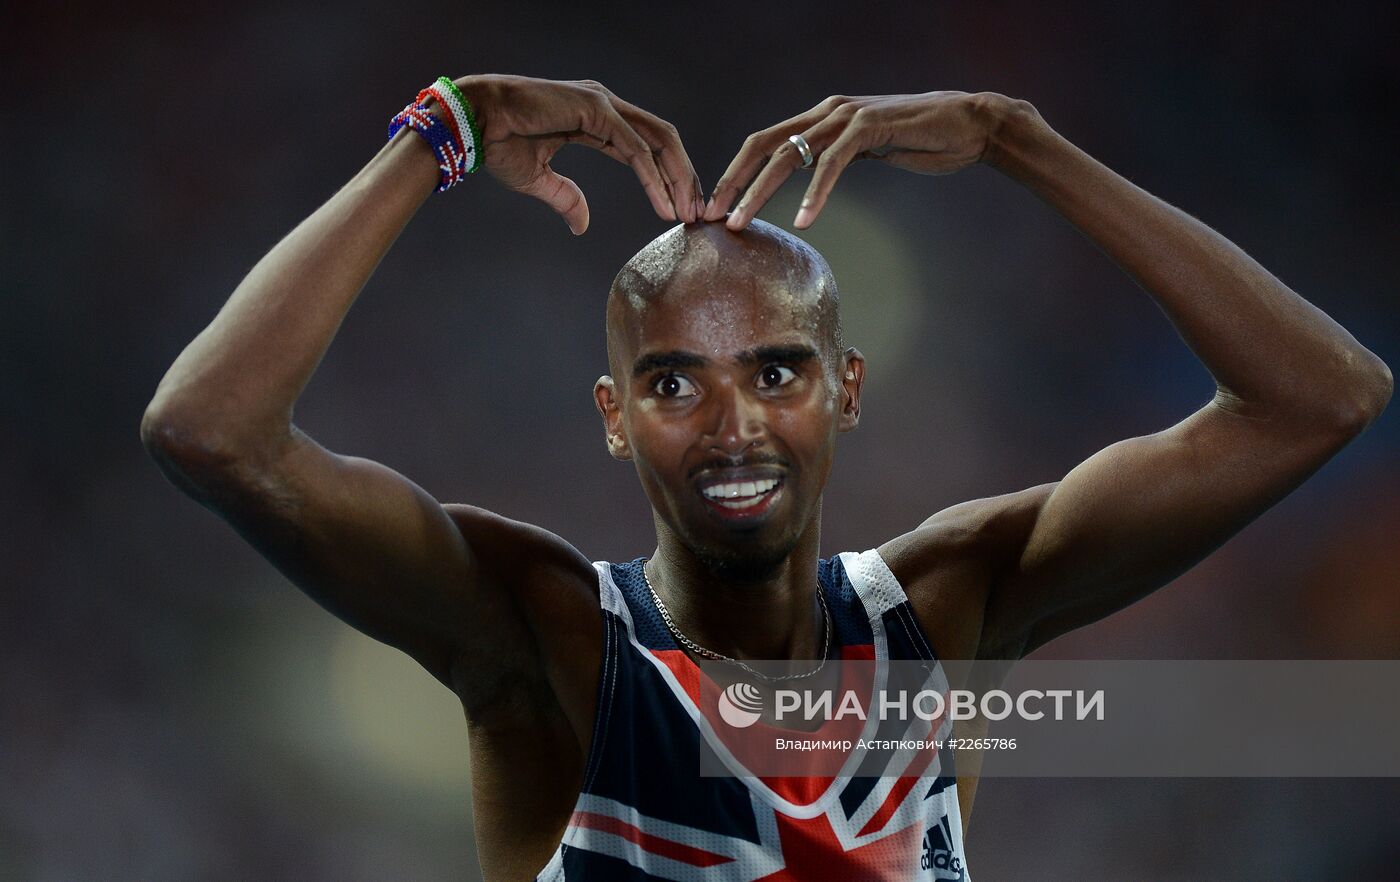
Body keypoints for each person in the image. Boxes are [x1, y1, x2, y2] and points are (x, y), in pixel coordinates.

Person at [141, 73, 1391, 881]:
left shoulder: (948, 611)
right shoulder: (546, 641)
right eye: (675, 383)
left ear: (846, 388)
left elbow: (1321, 397)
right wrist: (445, 131)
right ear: (614, 418)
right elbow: (209, 429)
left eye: (778, 373)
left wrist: (1022, 141)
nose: (732, 426)